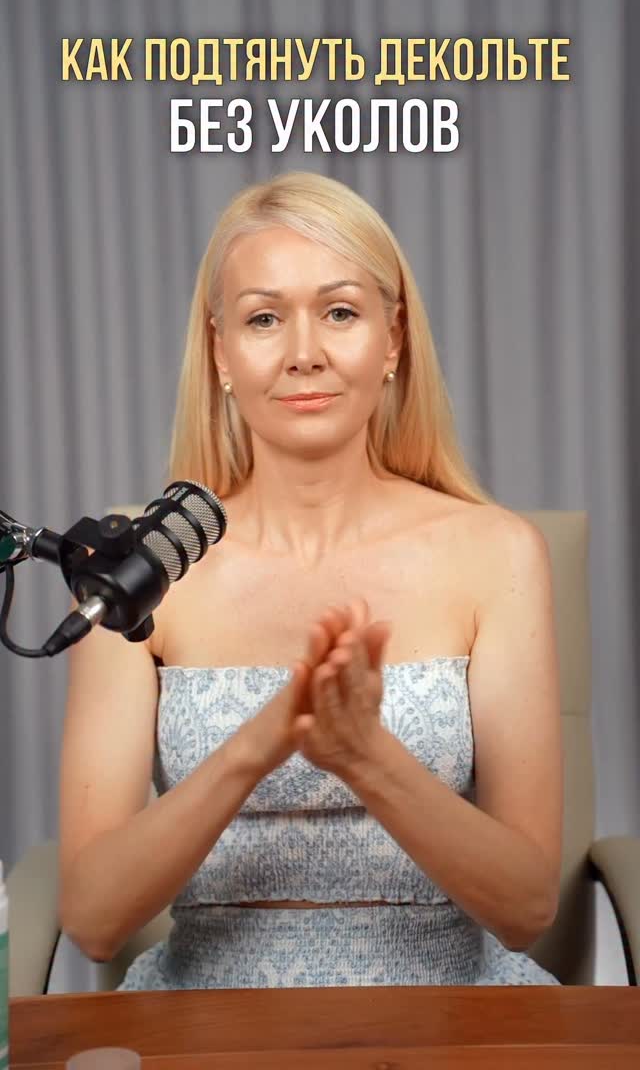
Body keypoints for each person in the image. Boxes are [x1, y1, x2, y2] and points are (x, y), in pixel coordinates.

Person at [58, 171, 564, 989]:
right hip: (207, 1020)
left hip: (453, 1014)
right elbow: (92, 921)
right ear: (220, 352)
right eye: (264, 319)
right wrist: (257, 747)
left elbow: (528, 908)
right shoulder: (142, 567)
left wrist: (366, 758)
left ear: (392, 341)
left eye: (340, 312)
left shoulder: (499, 554)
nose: (304, 354)